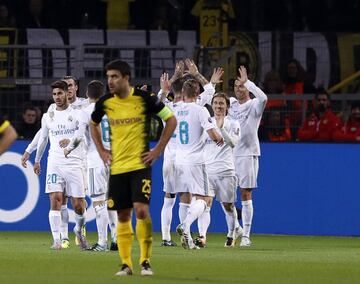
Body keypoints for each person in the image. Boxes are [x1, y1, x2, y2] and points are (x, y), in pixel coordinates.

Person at [90, 59, 177, 276]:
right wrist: (101, 150)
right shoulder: (105, 102)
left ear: (126, 78)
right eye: (108, 76)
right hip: (117, 167)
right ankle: (126, 264)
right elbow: (92, 124)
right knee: (122, 216)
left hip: (140, 164)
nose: (110, 81)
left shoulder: (144, 98)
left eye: (114, 76)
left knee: (141, 210)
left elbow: (171, 120)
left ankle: (145, 261)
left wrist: (157, 150)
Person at [33, 80, 88, 250]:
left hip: (74, 163)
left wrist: (70, 142)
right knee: (55, 199)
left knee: (79, 205)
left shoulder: (78, 114)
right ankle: (57, 240)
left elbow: (81, 137)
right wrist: (36, 160)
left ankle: (79, 229)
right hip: (54, 162)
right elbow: (43, 139)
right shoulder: (47, 116)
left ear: (67, 93)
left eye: (60, 93)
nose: (57, 97)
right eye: (54, 94)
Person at [65, 80, 118, 251]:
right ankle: (116, 239)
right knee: (111, 201)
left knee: (98, 202)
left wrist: (68, 148)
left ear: (87, 95)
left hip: (96, 160)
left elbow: (79, 136)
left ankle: (102, 242)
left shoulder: (85, 112)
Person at [174, 79, 224, 250]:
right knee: (206, 198)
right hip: (195, 160)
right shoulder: (200, 110)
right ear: (197, 94)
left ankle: (187, 239)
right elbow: (213, 134)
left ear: (182, 92)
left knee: (187, 198)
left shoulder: (176, 108)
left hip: (178, 160)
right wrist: (219, 138)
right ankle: (186, 225)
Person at [196, 93, 243, 248]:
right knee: (205, 204)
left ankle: (231, 234)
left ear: (227, 106)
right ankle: (202, 237)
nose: (218, 106)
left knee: (228, 206)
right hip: (207, 170)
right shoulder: (206, 122)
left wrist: (222, 129)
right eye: (215, 103)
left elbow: (233, 143)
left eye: (221, 103)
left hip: (226, 171)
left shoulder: (233, 124)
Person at [228, 66, 268, 247]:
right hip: (229, 155)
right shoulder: (232, 105)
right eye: (236, 86)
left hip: (248, 154)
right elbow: (215, 102)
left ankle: (246, 235)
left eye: (241, 86)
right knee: (226, 195)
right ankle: (236, 227)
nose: (238, 89)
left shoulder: (254, 105)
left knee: (245, 193)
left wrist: (248, 82)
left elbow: (264, 97)